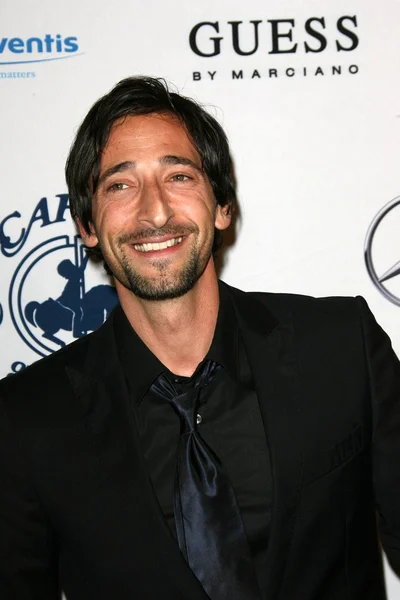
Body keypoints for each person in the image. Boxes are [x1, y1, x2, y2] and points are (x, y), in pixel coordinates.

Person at [0, 76, 399, 600]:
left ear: (221, 206)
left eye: (179, 177)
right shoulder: (26, 418)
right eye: (120, 185)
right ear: (86, 225)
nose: (155, 212)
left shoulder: (340, 348)